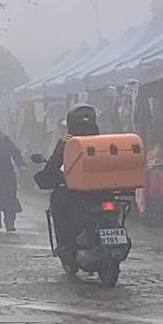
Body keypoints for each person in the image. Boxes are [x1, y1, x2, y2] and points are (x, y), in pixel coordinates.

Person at [40, 105, 100, 253]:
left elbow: (55, 161)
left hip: (76, 189)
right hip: (100, 188)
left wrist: (48, 173)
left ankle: (65, 245)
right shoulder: (100, 138)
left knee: (58, 204)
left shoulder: (66, 139)